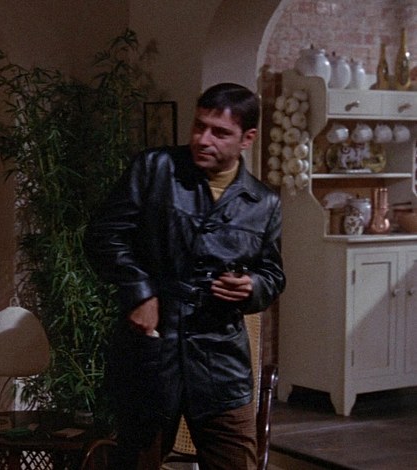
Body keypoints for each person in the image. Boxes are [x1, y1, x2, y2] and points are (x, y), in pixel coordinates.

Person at [85, 83, 285, 470]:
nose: (202, 139)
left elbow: (273, 274)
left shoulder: (264, 202)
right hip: (153, 351)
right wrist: (141, 293)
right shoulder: (155, 168)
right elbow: (103, 236)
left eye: (219, 132)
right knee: (135, 461)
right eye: (199, 126)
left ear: (247, 139)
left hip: (221, 358)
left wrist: (253, 286)